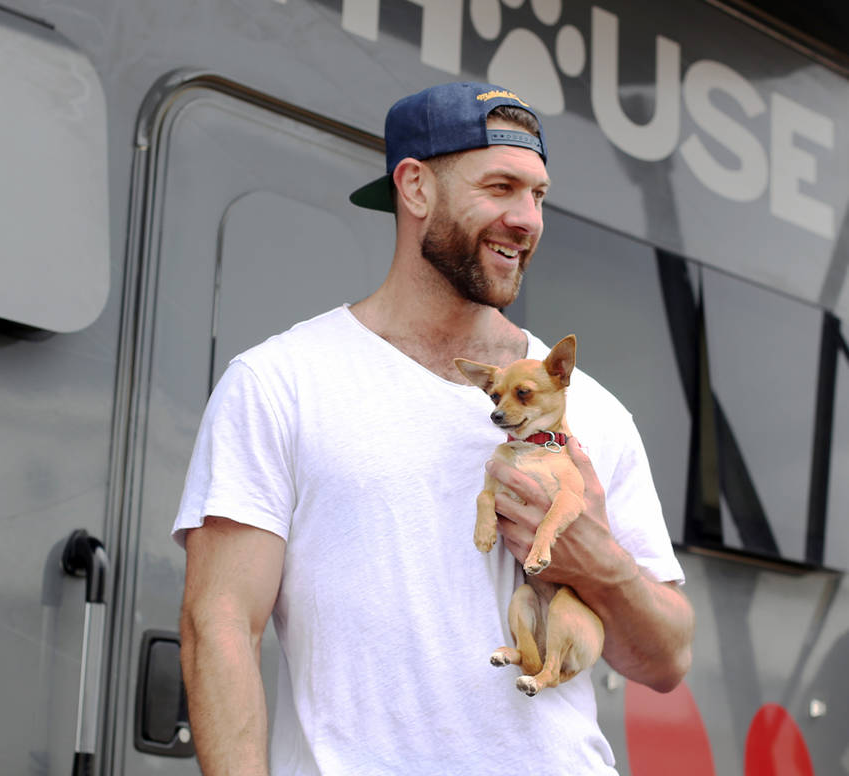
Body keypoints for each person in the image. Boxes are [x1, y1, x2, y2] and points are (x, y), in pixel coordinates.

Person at [172, 81, 694, 775]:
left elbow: (667, 660)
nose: (527, 219)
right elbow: (221, 627)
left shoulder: (589, 408)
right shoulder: (281, 383)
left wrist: (600, 562)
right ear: (415, 188)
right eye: (502, 187)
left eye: (538, 195)